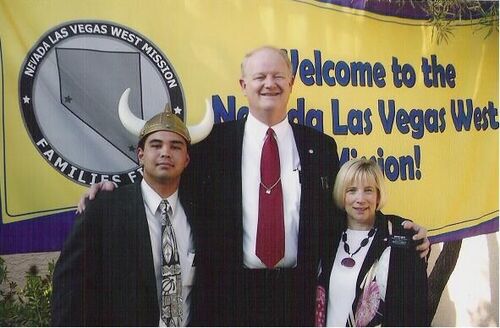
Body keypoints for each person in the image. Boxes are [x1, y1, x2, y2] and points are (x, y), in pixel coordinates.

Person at [78, 46, 430, 326]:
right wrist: (113, 191)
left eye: (278, 76)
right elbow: (165, 178)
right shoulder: (213, 145)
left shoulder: (321, 147)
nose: (269, 84)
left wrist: (397, 229)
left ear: (292, 83)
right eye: (259, 76)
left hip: (298, 297)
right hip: (229, 297)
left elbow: (345, 208)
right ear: (243, 85)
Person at [52, 95, 213, 326]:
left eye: (175, 146)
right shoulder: (103, 209)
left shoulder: (203, 215)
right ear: (141, 155)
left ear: (186, 159)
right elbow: (69, 288)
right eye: (156, 145)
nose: (165, 152)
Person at [315, 158, 428, 327]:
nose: (360, 199)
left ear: (378, 195)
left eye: (368, 190)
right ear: (341, 194)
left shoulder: (399, 235)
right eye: (351, 190)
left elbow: (416, 306)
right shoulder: (326, 237)